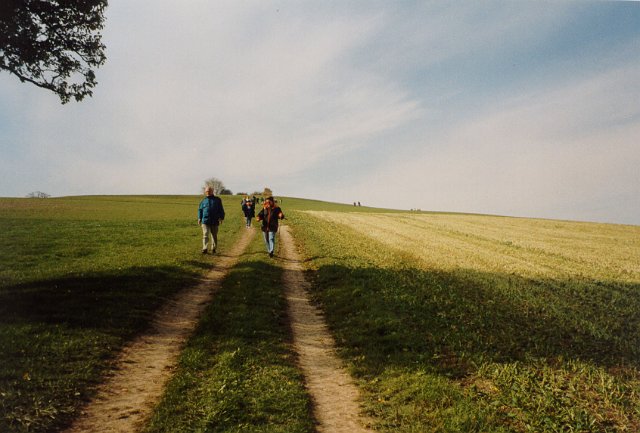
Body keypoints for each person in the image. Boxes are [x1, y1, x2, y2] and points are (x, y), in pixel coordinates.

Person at [198, 186, 225, 254]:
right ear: (205, 192)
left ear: (212, 191)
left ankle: (213, 248)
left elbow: (221, 209)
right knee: (205, 234)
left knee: (214, 236)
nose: (208, 192)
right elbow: (200, 210)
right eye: (206, 191)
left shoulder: (217, 200)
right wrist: (199, 218)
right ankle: (205, 248)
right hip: (205, 221)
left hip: (215, 221)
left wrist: (221, 217)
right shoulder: (203, 201)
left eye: (209, 191)